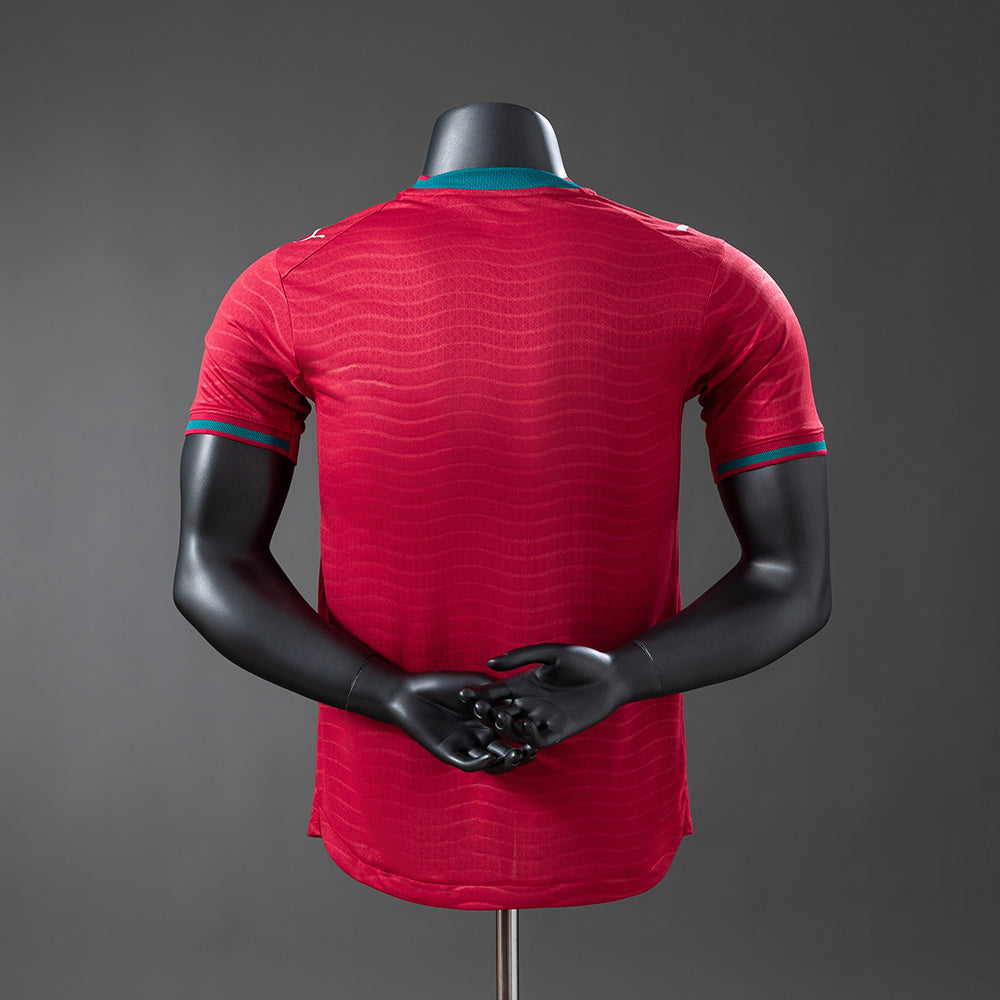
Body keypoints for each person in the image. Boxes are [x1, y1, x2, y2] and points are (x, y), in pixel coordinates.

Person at [174, 101, 830, 910]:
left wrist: (385, 692)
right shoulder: (717, 281)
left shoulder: (285, 285)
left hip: (450, 792)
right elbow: (792, 581)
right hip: (554, 794)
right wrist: (622, 678)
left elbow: (211, 568)